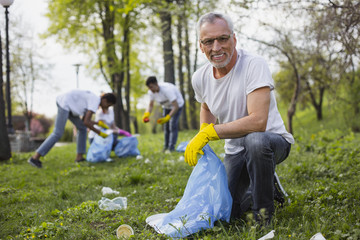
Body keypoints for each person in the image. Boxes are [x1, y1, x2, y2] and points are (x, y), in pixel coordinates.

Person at [184, 12, 294, 224]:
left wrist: (211, 133)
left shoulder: (254, 65)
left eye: (223, 39)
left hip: (271, 141)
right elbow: (206, 106)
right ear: (201, 46)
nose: (216, 47)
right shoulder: (200, 77)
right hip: (235, 150)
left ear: (234, 39)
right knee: (226, 214)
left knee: (255, 140)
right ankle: (265, 184)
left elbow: (258, 122)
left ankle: (264, 216)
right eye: (208, 41)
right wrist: (202, 134)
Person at [28, 90, 117, 168]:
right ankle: (35, 158)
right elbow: (86, 122)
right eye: (108, 105)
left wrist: (97, 123)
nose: (107, 108)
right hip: (65, 103)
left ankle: (79, 157)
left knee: (82, 128)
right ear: (105, 100)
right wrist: (100, 133)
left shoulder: (94, 100)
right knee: (58, 133)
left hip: (70, 106)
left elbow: (84, 121)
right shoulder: (95, 101)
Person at [142, 76, 184, 152]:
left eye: (151, 87)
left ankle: (171, 148)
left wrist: (167, 117)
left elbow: (176, 106)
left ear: (156, 84)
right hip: (166, 107)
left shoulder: (167, 90)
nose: (150, 89)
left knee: (172, 125)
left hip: (177, 106)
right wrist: (147, 114)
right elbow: (151, 105)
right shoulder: (151, 92)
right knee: (166, 127)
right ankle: (166, 147)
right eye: (149, 88)